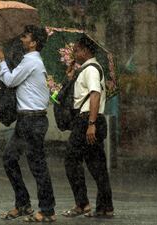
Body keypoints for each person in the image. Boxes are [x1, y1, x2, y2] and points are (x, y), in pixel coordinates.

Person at [0, 25, 56, 223]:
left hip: (33, 120)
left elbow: (11, 81)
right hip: (26, 120)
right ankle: (23, 204)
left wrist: (2, 60)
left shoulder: (32, 61)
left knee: (37, 165)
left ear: (34, 43)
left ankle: (47, 210)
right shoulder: (30, 61)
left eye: (25, 36)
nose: (21, 39)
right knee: (9, 158)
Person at [61, 36, 114, 218]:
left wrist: (90, 124)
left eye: (76, 50)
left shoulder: (91, 69)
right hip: (91, 120)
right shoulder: (85, 69)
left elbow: (95, 95)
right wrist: (70, 76)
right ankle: (105, 207)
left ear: (86, 51)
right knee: (96, 164)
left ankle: (82, 204)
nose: (74, 53)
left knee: (71, 160)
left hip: (87, 120)